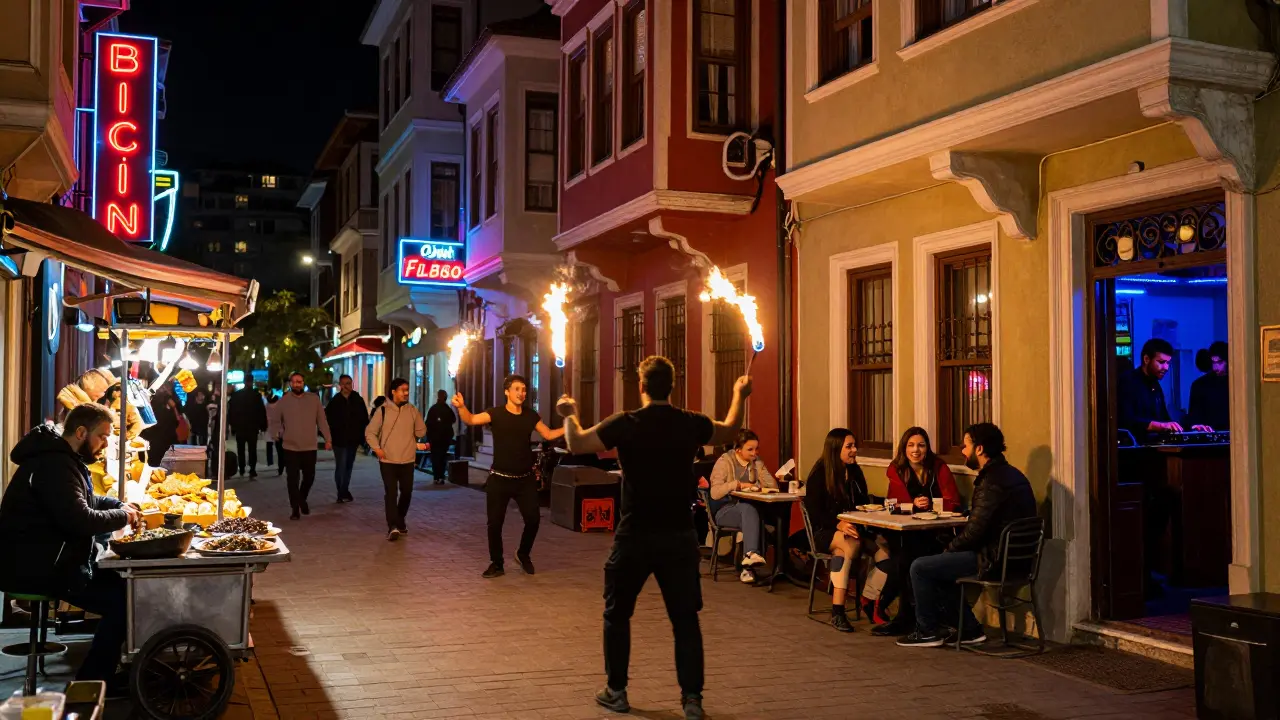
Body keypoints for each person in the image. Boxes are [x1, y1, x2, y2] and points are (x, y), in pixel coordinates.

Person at [557, 356, 749, 720]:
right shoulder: (689, 422)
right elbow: (728, 430)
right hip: (679, 535)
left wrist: (569, 413)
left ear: (642, 386)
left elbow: (577, 443)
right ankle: (692, 700)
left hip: (634, 534)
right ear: (672, 386)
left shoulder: (626, 423)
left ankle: (616, 692)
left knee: (617, 613)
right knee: (685, 619)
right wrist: (740, 394)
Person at [0, 404, 142, 686]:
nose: (105, 444)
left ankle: (105, 668)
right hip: (40, 569)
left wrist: (118, 505)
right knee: (124, 601)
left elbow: (85, 499)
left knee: (126, 587)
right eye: (102, 436)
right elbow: (81, 519)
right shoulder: (54, 465)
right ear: (80, 432)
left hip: (50, 560)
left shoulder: (61, 458)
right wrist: (124, 516)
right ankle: (92, 681)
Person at [898, 422, 1037, 648]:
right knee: (940, 565)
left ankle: (928, 631)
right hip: (1016, 558)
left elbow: (975, 532)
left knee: (920, 567)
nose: (963, 451)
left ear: (979, 449)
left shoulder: (991, 480)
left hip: (994, 559)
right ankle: (970, 630)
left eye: (965, 446)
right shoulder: (1012, 474)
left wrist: (949, 549)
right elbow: (987, 519)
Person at [454, 374, 564, 578]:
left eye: (524, 390)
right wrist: (461, 407)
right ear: (507, 392)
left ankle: (523, 553)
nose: (521, 393)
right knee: (495, 524)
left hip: (524, 479)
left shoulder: (530, 415)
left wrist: (569, 428)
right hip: (499, 479)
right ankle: (497, 564)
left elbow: (548, 434)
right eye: (517, 389)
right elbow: (471, 419)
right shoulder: (495, 414)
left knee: (533, 520)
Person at [871, 427, 961, 636]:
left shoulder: (939, 467)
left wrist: (932, 504)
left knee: (907, 559)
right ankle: (908, 617)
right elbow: (893, 504)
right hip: (904, 532)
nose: (916, 450)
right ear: (904, 448)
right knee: (905, 557)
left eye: (921, 445)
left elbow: (953, 501)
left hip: (935, 531)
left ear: (928, 447)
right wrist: (912, 504)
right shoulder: (897, 469)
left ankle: (905, 616)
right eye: (911, 445)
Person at [802, 429, 879, 633]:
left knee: (884, 552)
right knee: (849, 544)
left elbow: (862, 501)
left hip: (854, 529)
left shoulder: (855, 472)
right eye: (849, 446)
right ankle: (838, 611)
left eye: (855, 445)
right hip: (824, 532)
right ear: (836, 449)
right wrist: (838, 524)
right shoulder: (819, 474)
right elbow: (814, 512)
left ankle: (865, 601)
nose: (854, 450)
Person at [707, 429, 775, 584]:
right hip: (724, 510)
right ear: (738, 450)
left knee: (758, 512)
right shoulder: (725, 462)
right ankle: (750, 556)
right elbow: (715, 493)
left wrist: (759, 476)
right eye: (750, 449)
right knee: (750, 510)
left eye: (756, 449)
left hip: (749, 509)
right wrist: (737, 484)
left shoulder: (756, 462)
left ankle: (749, 566)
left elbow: (772, 485)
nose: (755, 453)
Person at [366, 378, 427, 541]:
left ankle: (400, 519)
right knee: (391, 493)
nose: (406, 393)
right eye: (402, 390)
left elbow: (421, 432)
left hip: (407, 459)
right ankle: (392, 526)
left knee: (407, 492)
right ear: (393, 392)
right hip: (388, 460)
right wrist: (377, 448)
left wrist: (419, 420)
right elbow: (370, 432)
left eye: (407, 390)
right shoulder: (383, 410)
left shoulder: (412, 410)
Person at [1118, 338, 1211, 439]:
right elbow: (1126, 420)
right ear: (1146, 359)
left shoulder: (1155, 385)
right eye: (1161, 362)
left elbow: (1165, 420)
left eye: (1168, 363)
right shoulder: (1128, 381)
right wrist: (1158, 425)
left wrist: (1191, 428)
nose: (1166, 367)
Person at [278, 372, 333, 520]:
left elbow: (322, 420)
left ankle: (301, 499)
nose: (297, 384)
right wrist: (277, 432)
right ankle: (295, 509)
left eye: (300, 382)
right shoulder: (284, 401)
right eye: (295, 382)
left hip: (309, 446)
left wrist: (328, 438)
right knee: (292, 480)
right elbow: (276, 419)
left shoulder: (314, 399)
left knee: (309, 477)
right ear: (290, 383)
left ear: (303, 383)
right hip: (290, 446)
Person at [326, 375, 370, 503]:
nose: (346, 386)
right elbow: (327, 420)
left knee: (348, 466)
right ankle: (341, 492)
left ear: (352, 384)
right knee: (341, 465)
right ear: (340, 385)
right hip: (339, 440)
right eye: (344, 384)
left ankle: (344, 489)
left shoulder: (357, 400)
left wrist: (362, 436)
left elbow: (364, 419)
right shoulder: (335, 401)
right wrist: (329, 437)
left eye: (349, 383)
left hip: (353, 440)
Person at [227, 384, 267, 478]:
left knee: (241, 449)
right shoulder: (256, 396)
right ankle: (252, 469)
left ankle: (242, 468)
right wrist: (263, 426)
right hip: (252, 427)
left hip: (240, 427)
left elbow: (231, 412)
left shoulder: (236, 395)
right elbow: (261, 411)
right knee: (252, 449)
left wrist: (233, 426)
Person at [1188, 340, 1229, 431]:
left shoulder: (1236, 384)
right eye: (1213, 362)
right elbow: (1194, 417)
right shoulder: (1199, 385)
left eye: (1220, 362)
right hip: (1208, 435)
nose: (1215, 367)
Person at [141, 383, 180, 466]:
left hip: (159, 439)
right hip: (159, 439)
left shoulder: (154, 402)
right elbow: (176, 421)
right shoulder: (159, 402)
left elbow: (177, 421)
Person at [426, 389, 456, 485]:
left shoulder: (433, 409)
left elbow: (428, 424)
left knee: (436, 457)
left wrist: (429, 437)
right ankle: (440, 477)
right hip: (444, 438)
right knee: (442, 457)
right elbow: (453, 419)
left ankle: (437, 477)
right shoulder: (447, 409)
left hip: (435, 438)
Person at [265, 394, 283, 474]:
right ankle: (281, 466)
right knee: (280, 449)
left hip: (269, 428)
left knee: (269, 446)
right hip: (279, 429)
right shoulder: (280, 405)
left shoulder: (267, 406)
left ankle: (270, 462)